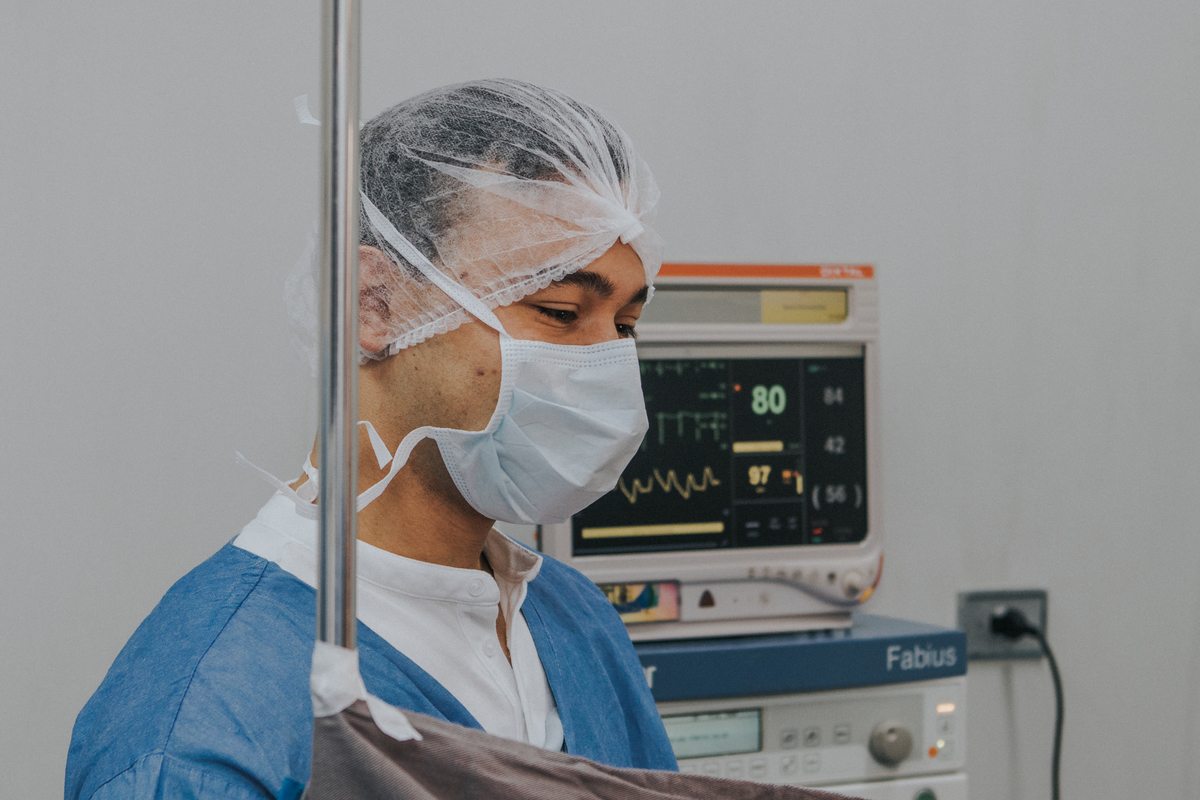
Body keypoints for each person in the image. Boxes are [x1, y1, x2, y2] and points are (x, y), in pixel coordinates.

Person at [66, 79, 676, 800]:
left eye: (626, 326)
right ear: (374, 303)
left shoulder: (573, 623)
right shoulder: (210, 721)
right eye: (560, 310)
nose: (606, 365)